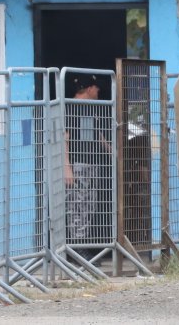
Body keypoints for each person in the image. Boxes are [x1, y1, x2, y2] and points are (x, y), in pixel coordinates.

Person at [63, 74, 113, 261]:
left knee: (88, 207)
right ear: (90, 88)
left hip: (91, 165)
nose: (99, 91)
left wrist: (113, 152)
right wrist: (67, 167)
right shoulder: (69, 107)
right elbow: (64, 138)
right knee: (77, 208)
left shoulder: (91, 108)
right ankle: (76, 249)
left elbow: (97, 134)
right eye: (96, 87)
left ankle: (83, 245)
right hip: (77, 166)